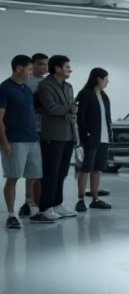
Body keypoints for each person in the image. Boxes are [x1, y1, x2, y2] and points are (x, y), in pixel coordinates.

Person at [1, 56, 45, 229]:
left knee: (34, 176)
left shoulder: (26, 90)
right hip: (15, 139)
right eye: (29, 69)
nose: (31, 72)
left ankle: (34, 211)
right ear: (19, 68)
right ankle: (11, 215)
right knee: (13, 177)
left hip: (32, 139)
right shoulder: (4, 88)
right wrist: (4, 142)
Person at [37, 55, 79, 221]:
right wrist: (70, 109)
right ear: (58, 69)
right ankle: (45, 207)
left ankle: (57, 203)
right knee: (50, 172)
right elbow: (51, 108)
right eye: (67, 67)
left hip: (68, 134)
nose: (70, 70)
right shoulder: (45, 85)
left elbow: (70, 109)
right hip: (53, 135)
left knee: (62, 172)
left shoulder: (68, 86)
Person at [75, 68, 113, 212]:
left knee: (97, 169)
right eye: (105, 79)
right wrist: (85, 135)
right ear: (98, 79)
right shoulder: (85, 94)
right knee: (86, 168)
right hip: (92, 137)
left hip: (104, 138)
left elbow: (107, 117)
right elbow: (80, 118)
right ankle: (80, 199)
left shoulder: (104, 96)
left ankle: (95, 198)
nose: (107, 82)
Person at [18, 52, 47, 217]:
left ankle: (38, 204)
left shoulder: (47, 83)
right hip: (29, 130)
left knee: (40, 170)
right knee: (30, 171)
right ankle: (28, 202)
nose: (44, 68)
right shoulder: (25, 83)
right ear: (32, 65)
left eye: (46, 64)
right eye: (40, 64)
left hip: (46, 130)